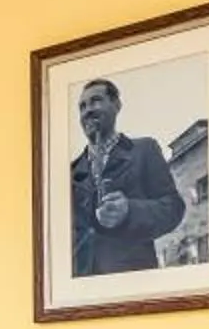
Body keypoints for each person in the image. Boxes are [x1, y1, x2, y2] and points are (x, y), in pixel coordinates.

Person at [68, 78, 185, 275]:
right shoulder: (71, 171)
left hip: (132, 282)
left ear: (116, 105)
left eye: (96, 101)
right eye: (82, 106)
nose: (87, 110)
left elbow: (173, 208)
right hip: (81, 290)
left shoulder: (144, 149)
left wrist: (129, 211)